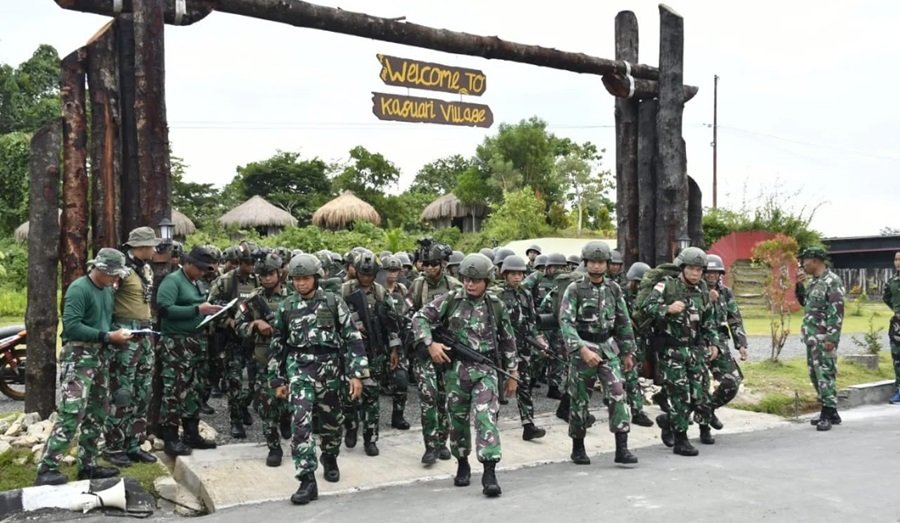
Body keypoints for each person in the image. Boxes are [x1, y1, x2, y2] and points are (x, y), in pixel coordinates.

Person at [412, 253, 518, 498]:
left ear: (487, 281)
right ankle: (462, 463)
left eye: (476, 280)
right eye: (467, 279)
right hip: (456, 371)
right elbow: (420, 318)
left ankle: (490, 472)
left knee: (485, 417)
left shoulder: (496, 305)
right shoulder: (450, 300)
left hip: (486, 369)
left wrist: (513, 372)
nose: (470, 284)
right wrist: (431, 345)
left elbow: (508, 339)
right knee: (457, 421)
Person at [268, 254, 368, 505]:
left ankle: (330, 456)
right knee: (300, 423)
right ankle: (306, 479)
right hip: (299, 368)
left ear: (316, 278)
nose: (300, 283)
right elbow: (277, 343)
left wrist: (356, 374)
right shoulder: (287, 306)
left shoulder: (334, 302)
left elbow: (352, 338)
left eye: (305, 278)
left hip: (330, 370)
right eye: (296, 279)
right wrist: (277, 379)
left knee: (332, 422)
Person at [35, 249, 133, 486]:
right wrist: (108, 335)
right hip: (78, 356)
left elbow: (106, 321)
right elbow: (72, 326)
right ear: (100, 270)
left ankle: (87, 464)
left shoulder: (108, 291)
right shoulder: (79, 289)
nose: (116, 279)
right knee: (72, 412)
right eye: (113, 275)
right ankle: (47, 468)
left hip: (99, 355)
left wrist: (118, 334)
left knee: (98, 410)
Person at [558, 241, 638, 466]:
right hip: (582, 349)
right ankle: (578, 446)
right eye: (592, 262)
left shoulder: (613, 289)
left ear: (607, 264)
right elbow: (565, 322)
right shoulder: (575, 289)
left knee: (617, 393)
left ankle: (621, 448)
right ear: (586, 263)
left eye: (600, 262)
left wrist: (628, 352)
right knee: (579, 400)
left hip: (608, 348)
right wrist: (581, 349)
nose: (596, 266)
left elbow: (623, 321)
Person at [642, 247, 719, 456]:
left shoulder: (702, 290)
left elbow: (709, 320)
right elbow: (647, 307)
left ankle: (668, 421)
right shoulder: (666, 285)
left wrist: (713, 343)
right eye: (692, 269)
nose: (696, 274)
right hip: (672, 349)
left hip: (695, 350)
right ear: (682, 268)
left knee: (699, 396)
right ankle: (681, 440)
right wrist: (667, 309)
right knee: (680, 396)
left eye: (699, 270)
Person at [156, 246, 222, 457]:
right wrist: (196, 310)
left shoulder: (197, 282)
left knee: (195, 388)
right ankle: (171, 437)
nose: (203, 273)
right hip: (177, 343)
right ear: (189, 264)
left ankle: (191, 432)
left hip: (197, 342)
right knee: (175, 389)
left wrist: (210, 310)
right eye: (200, 269)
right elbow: (164, 310)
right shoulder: (173, 281)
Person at [104, 227, 161, 468]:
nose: (155, 250)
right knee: (122, 391)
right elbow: (107, 301)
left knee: (143, 391)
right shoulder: (121, 270)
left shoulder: (146, 269)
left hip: (145, 332)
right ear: (140, 247)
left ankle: (134, 443)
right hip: (125, 333)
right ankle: (114, 446)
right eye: (151, 246)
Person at [340, 250, 400, 456]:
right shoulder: (344, 291)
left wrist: (394, 349)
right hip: (350, 351)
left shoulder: (381, 293)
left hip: (375, 351)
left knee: (372, 396)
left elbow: (392, 323)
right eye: (362, 274)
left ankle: (370, 438)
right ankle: (350, 427)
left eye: (369, 275)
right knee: (349, 395)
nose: (366, 278)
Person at [234, 253, 292, 467]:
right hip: (263, 360)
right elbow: (238, 327)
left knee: (289, 402)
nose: (267, 279)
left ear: (279, 273)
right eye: (263, 275)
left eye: (270, 274)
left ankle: (286, 419)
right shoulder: (252, 299)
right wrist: (255, 325)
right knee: (266, 405)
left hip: (289, 360)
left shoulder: (292, 297)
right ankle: (273, 446)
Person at [408, 241, 461, 465]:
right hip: (424, 349)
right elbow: (408, 314)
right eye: (425, 264)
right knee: (428, 396)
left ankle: (442, 442)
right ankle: (430, 446)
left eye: (433, 264)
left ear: (443, 264)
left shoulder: (455, 286)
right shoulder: (418, 286)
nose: (428, 268)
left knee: (445, 398)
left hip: (449, 349)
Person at [494, 255, 547, 441]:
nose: (517, 277)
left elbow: (531, 320)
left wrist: (538, 339)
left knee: (524, 385)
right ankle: (491, 423)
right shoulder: (496, 295)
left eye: (520, 274)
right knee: (497, 386)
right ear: (505, 274)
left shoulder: (525, 294)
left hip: (523, 347)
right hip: (501, 349)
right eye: (513, 274)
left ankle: (528, 425)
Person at [208, 244, 259, 437]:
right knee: (235, 380)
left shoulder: (258, 280)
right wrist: (226, 320)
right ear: (239, 262)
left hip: (254, 339)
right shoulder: (225, 282)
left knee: (256, 383)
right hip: (233, 339)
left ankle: (244, 405)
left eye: (254, 263)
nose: (251, 267)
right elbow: (212, 307)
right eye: (247, 263)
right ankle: (235, 419)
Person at [798, 246, 845, 431]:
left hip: (824, 337)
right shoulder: (813, 282)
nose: (803, 264)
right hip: (811, 337)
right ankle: (831, 411)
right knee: (815, 374)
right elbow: (804, 303)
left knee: (825, 374)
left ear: (815, 260)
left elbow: (837, 311)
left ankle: (827, 412)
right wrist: (799, 286)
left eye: (805, 260)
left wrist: (832, 337)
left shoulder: (832, 281)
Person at [704, 254, 749, 434]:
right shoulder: (693, 291)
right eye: (708, 272)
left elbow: (734, 319)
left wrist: (741, 344)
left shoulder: (726, 292)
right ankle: (703, 428)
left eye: (716, 272)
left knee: (732, 382)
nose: (712, 276)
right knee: (699, 387)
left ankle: (708, 409)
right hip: (698, 344)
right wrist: (707, 300)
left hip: (720, 345)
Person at [622, 261, 654, 428]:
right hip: (622, 342)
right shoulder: (622, 295)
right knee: (631, 376)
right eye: (639, 282)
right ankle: (637, 411)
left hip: (639, 340)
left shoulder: (647, 297)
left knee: (631, 375)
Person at [382, 255, 412, 430]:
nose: (392, 274)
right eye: (388, 270)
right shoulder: (378, 291)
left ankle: (398, 415)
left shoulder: (403, 290)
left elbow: (410, 308)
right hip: (380, 342)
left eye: (395, 270)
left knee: (401, 380)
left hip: (399, 342)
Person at [886, 251, 900, 404]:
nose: (898, 262)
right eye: (896, 259)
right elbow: (886, 297)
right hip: (897, 324)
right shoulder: (892, 281)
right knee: (897, 358)